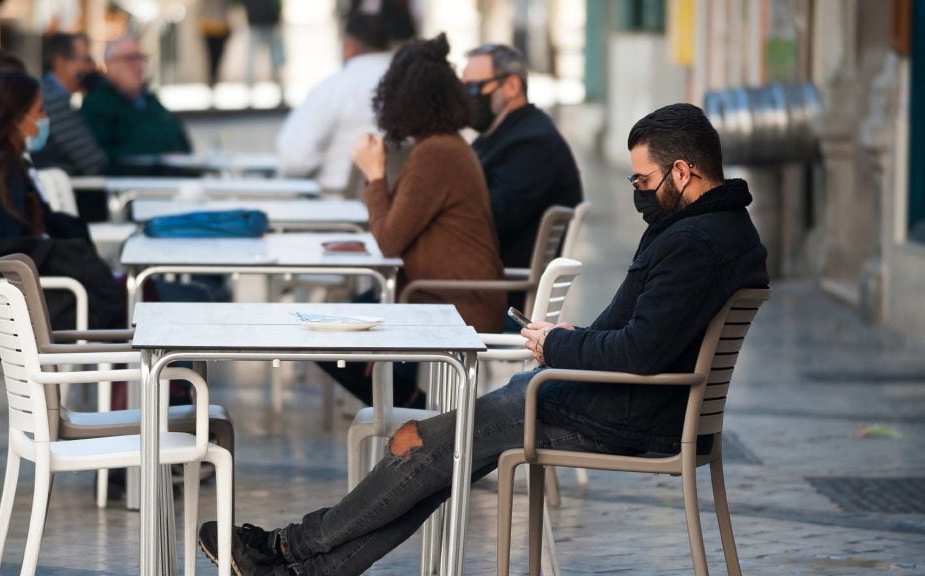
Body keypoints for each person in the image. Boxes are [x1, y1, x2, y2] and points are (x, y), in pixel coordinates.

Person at [196, 102, 770, 575]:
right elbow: (647, 334)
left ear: (683, 172)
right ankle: (303, 567)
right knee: (441, 454)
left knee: (428, 445)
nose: (638, 191)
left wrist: (557, 348)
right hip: (619, 403)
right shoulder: (718, 230)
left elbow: (640, 353)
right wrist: (576, 335)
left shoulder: (696, 242)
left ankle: (289, 548)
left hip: (622, 417)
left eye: (643, 180)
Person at [314, 34, 505, 409]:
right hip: (441, 295)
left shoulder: (436, 153)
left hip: (453, 304)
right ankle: (419, 414)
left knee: (327, 342)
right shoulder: (442, 146)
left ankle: (424, 420)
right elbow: (398, 228)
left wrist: (374, 174)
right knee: (333, 328)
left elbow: (388, 240)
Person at [0, 69, 125, 358]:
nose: (45, 119)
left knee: (129, 295)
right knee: (135, 304)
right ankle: (156, 393)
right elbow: (10, 255)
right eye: (40, 111)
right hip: (3, 315)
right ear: (16, 119)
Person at [462, 44, 583, 280]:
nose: (466, 98)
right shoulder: (499, 135)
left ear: (512, 86)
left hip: (496, 291)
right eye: (462, 88)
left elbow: (487, 221)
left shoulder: (534, 144)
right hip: (477, 280)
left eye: (474, 87)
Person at [274, 11, 391, 191]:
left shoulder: (334, 87)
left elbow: (294, 160)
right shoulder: (415, 87)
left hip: (340, 205)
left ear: (348, 46)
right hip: (403, 206)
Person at [80, 36, 192, 165]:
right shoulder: (96, 104)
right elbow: (99, 156)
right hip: (130, 181)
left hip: (174, 178)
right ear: (109, 65)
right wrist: (157, 157)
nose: (137, 65)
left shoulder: (151, 101)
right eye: (129, 59)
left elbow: (182, 144)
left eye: (140, 58)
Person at [31, 32, 107, 175]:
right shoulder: (48, 99)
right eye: (87, 60)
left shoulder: (48, 94)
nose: (92, 68)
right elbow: (92, 161)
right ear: (60, 62)